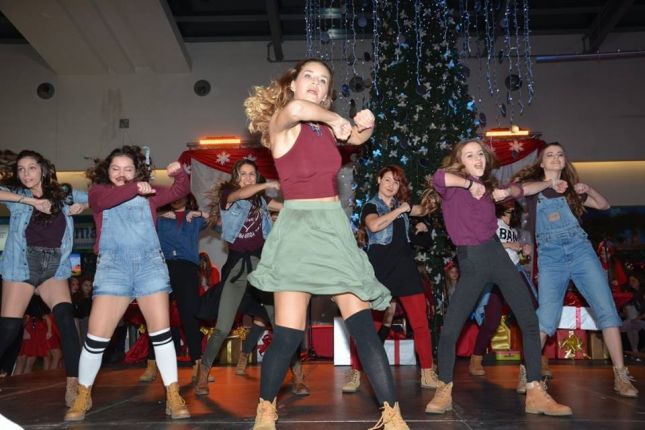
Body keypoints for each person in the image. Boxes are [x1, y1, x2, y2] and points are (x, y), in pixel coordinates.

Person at [244, 58, 409, 429]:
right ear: (293, 84)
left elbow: (356, 138)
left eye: (323, 81)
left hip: (333, 228)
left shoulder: (323, 129)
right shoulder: (283, 121)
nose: (316, 84)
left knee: (363, 327)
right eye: (309, 77)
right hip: (298, 231)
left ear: (327, 93)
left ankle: (393, 417)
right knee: (288, 335)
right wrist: (336, 119)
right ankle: (265, 410)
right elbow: (298, 110)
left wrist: (366, 124)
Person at [420, 138, 571, 416]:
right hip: (472, 260)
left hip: (497, 255)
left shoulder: (490, 190)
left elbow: (524, 188)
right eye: (469, 155)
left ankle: (535, 391)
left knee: (529, 319)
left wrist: (546, 183)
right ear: (459, 161)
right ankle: (444, 389)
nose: (477, 158)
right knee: (451, 329)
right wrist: (469, 185)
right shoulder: (452, 187)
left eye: (480, 154)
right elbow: (438, 176)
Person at [64, 145, 191, 421]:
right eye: (116, 168)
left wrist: (179, 174)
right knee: (96, 338)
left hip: (150, 266)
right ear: (106, 171)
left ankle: (172, 393)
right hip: (113, 268)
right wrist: (136, 187)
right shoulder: (99, 192)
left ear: (137, 171)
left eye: (128, 169)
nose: (121, 174)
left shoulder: (149, 193)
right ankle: (83, 394)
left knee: (161, 334)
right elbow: (107, 201)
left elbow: (180, 191)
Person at [514, 142, 639, 397]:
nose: (555, 158)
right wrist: (550, 183)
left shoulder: (572, 191)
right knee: (546, 317)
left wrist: (587, 188)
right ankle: (529, 372)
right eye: (549, 155)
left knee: (606, 309)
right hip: (551, 256)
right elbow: (521, 189)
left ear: (564, 161)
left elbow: (604, 205)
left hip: (581, 250)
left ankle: (621, 375)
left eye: (560, 154)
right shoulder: (534, 187)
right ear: (541, 163)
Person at [196, 159, 310, 397]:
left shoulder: (262, 201)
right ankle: (203, 373)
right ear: (236, 177)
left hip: (260, 269)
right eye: (243, 174)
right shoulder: (228, 196)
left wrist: (304, 203)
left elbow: (287, 208)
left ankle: (298, 376)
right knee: (222, 327)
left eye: (251, 174)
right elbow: (241, 194)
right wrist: (266, 184)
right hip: (236, 270)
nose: (247, 178)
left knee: (281, 324)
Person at [0, 150, 87, 406]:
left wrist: (82, 205)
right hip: (22, 266)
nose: (26, 174)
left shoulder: (64, 193)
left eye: (32, 168)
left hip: (54, 268)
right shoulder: (18, 195)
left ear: (43, 170)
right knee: (8, 329)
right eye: (21, 169)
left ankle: (74, 386)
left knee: (66, 321)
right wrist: (30, 201)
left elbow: (96, 198)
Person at [342, 165, 437, 394]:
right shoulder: (371, 206)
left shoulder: (402, 207)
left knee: (420, 324)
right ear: (378, 180)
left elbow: (424, 209)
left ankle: (427, 372)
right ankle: (356, 372)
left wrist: (436, 195)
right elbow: (374, 225)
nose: (392, 185)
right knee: (367, 326)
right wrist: (401, 209)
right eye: (387, 180)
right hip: (380, 272)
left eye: (396, 182)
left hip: (405, 270)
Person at [468, 201, 549, 382]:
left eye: (513, 208)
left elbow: (515, 254)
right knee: (491, 320)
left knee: (533, 313)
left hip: (515, 271)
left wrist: (524, 251)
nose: (511, 210)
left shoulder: (513, 229)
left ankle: (537, 359)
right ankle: (476, 359)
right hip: (497, 272)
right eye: (508, 206)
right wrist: (509, 245)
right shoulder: (492, 223)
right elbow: (482, 245)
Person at [138, 194, 209, 384]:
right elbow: (140, 219)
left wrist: (198, 213)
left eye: (181, 196)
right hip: (163, 268)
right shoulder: (160, 219)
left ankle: (198, 364)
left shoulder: (194, 219)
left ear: (188, 199)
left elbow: (217, 219)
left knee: (190, 317)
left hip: (187, 269)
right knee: (158, 318)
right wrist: (160, 214)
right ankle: (151, 364)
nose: (177, 199)